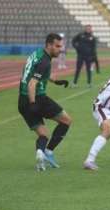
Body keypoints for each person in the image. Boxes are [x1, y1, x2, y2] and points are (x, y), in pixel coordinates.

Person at [18, 33, 72, 171]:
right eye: (57, 46)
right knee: (66, 120)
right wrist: (33, 104)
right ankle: (49, 152)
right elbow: (32, 83)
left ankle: (40, 154)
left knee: (43, 134)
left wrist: (56, 81)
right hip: (36, 98)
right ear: (49, 45)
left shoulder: (37, 54)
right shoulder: (45, 61)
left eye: (61, 46)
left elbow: (36, 73)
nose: (60, 49)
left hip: (22, 102)